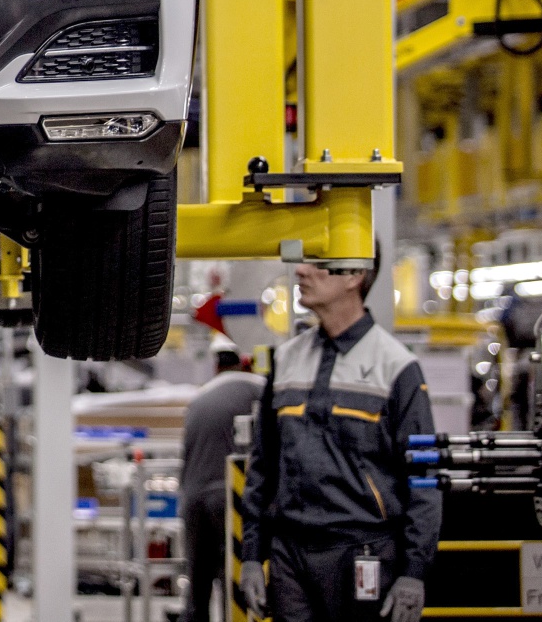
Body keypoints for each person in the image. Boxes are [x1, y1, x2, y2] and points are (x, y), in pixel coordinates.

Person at [240, 259, 438, 622]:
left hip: (364, 552)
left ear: (354, 275)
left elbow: (424, 478)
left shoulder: (396, 367)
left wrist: (413, 572)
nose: (300, 271)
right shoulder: (286, 360)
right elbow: (262, 467)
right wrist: (251, 556)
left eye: (318, 264)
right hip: (290, 555)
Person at [180, 346, 264, 622]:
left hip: (193, 498)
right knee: (233, 577)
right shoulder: (258, 390)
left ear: (216, 367)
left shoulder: (200, 398)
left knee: (198, 582)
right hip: (228, 497)